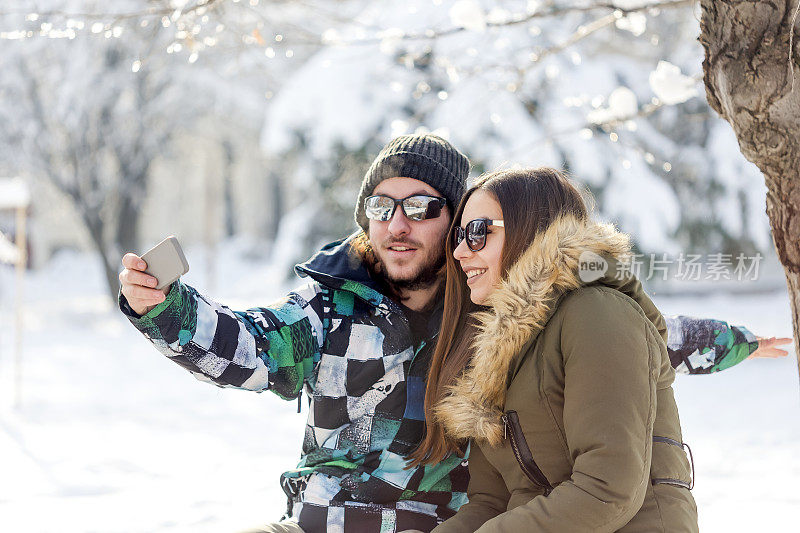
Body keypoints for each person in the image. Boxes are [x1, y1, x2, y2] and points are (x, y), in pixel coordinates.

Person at [118, 134, 785, 533]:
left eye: (421, 206)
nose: (397, 223)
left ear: (453, 217)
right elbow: (244, 343)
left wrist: (741, 340)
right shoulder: (326, 313)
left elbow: (651, 340)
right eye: (381, 207)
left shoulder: (495, 321)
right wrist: (163, 307)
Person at [412, 167, 697, 532]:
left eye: (478, 233)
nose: (459, 251)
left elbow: (608, 489)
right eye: (459, 236)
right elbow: (491, 501)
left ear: (531, 229)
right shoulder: (496, 351)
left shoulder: (598, 313)